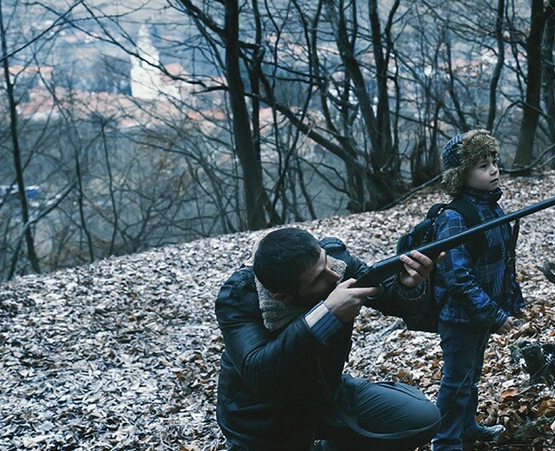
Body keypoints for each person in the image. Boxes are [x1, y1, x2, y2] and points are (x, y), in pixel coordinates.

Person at [214, 227, 442, 450]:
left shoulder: (334, 261)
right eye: (318, 279)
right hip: (260, 416)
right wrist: (325, 316)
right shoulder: (238, 296)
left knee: (423, 418)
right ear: (282, 296)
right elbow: (260, 371)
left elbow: (389, 297)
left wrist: (407, 284)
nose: (334, 275)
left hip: (325, 391)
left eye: (326, 261)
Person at [430, 130, 525, 450]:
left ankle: (466, 428)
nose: (494, 170)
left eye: (494, 161)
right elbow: (458, 279)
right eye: (483, 166)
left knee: (471, 377)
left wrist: (510, 301)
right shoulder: (456, 218)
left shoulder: (491, 208)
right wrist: (494, 315)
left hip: (481, 313)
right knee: (456, 381)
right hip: (459, 317)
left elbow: (501, 261)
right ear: (461, 176)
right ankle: (445, 442)